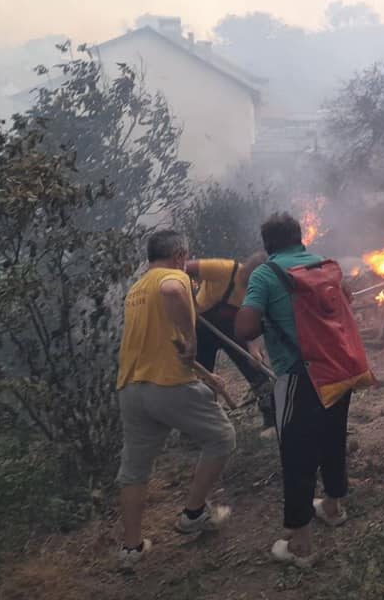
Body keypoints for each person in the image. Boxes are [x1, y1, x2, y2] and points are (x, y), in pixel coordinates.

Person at [235, 213, 358, 567]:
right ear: (299, 237)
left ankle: (301, 544)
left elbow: (244, 328)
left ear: (268, 244)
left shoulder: (265, 274)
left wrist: (267, 315)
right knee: (333, 437)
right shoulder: (325, 266)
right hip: (339, 369)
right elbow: (346, 303)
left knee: (297, 454)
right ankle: (333, 507)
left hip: (298, 376)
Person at [116, 229, 236, 570]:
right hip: (167, 386)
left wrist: (205, 374)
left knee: (135, 469)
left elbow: (164, 345)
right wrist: (192, 336)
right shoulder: (172, 278)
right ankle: (193, 514)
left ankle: (131, 549)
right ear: (181, 256)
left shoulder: (136, 290)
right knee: (222, 438)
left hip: (131, 388)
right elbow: (174, 300)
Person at [186, 252, 276, 432]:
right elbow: (182, 269)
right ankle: (196, 429)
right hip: (203, 328)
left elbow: (252, 325)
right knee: (201, 381)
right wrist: (188, 303)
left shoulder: (256, 291)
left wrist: (254, 350)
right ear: (250, 270)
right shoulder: (225, 269)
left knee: (258, 373)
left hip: (233, 331)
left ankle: (272, 420)